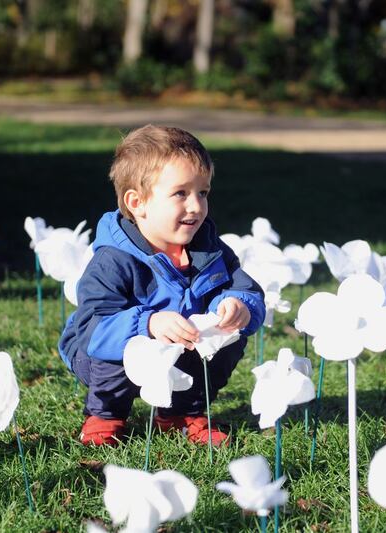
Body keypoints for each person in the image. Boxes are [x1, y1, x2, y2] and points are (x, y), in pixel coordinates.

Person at [58, 125, 265, 447]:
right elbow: (93, 327)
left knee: (228, 339)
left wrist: (237, 305)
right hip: (104, 351)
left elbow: (246, 289)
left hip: (183, 345)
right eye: (180, 193)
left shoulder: (210, 249)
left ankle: (181, 414)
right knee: (117, 351)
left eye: (203, 192)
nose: (196, 206)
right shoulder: (113, 259)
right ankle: (105, 414)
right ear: (137, 202)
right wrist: (148, 323)